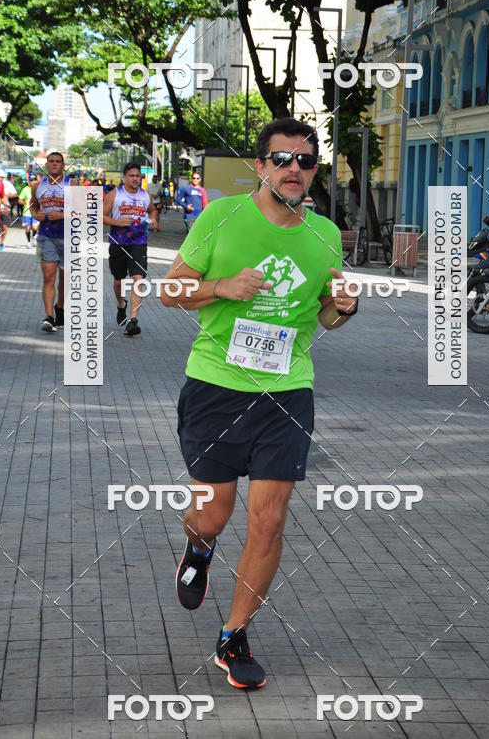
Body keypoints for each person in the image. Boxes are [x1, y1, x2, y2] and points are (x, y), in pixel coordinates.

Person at [160, 118, 358, 690]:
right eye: (282, 160)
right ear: (261, 166)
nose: (294, 170)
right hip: (215, 387)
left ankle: (235, 634)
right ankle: (198, 549)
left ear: (314, 171)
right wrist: (221, 287)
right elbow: (169, 290)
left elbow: (325, 315)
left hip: (287, 391)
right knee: (214, 513)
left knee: (268, 520)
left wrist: (342, 308)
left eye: (306, 161)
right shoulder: (221, 218)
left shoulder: (325, 234)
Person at [103, 161, 157, 337]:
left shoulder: (145, 195)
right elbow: (100, 216)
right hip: (118, 243)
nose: (135, 179)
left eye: (138, 176)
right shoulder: (114, 195)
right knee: (118, 281)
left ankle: (133, 321)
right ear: (124, 177)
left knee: (137, 279)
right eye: (132, 176)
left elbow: (152, 210)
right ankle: (121, 304)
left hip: (139, 243)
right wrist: (117, 222)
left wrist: (154, 220)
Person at [30, 149, 72, 332]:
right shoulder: (37, 186)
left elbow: (87, 211)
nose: (54, 163)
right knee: (49, 277)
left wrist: (63, 214)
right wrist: (35, 215)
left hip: (70, 237)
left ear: (63, 166)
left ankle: (60, 306)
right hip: (46, 236)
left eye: (58, 161)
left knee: (66, 279)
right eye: (51, 161)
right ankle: (49, 317)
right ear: (46, 165)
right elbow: (33, 205)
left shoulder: (72, 185)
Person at [19, 177, 39, 247]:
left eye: (34, 180)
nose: (33, 181)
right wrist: (24, 202)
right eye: (31, 180)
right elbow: (19, 200)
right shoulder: (25, 189)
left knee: (35, 227)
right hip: (27, 213)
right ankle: (28, 242)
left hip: (35, 212)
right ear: (29, 181)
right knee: (27, 228)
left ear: (36, 181)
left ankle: (33, 237)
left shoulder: (38, 190)